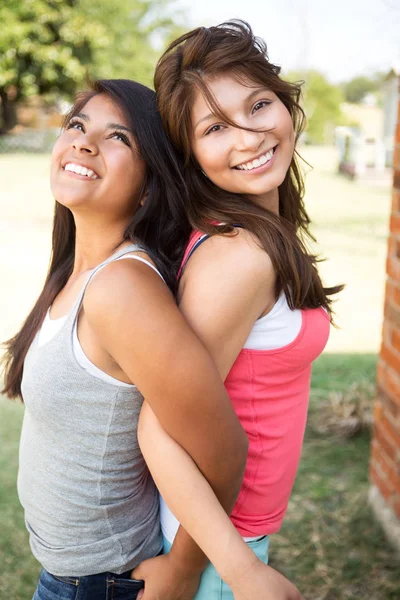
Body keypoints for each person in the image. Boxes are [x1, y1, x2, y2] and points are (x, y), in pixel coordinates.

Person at [1, 78, 302, 600]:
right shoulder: (78, 270)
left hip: (103, 582)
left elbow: (224, 448)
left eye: (118, 137)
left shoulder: (122, 288)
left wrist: (184, 569)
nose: (83, 142)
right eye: (77, 124)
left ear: (149, 185)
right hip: (72, 572)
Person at [132, 19, 343, 600]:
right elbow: (158, 426)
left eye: (258, 104)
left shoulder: (260, 230)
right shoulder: (238, 256)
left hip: (228, 536)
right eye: (215, 128)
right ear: (191, 153)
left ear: (287, 103)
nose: (249, 137)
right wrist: (242, 571)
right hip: (218, 547)